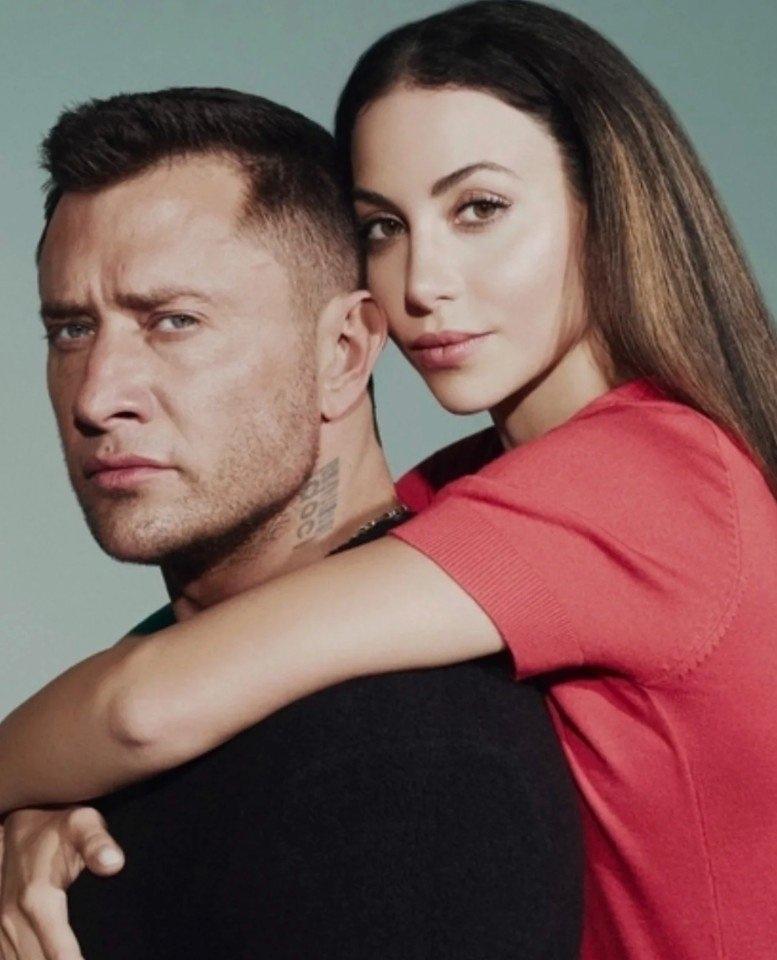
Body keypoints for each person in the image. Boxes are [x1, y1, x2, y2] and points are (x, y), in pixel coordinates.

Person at [2, 0, 777, 956]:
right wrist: (37, 812)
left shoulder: (647, 478)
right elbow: (209, 635)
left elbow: (144, 704)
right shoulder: (470, 493)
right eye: (381, 226)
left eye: (478, 209)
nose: (420, 283)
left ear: (605, 206)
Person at [0, 88, 583, 960]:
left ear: (341, 352)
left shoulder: (410, 756)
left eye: (173, 322)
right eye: (73, 330)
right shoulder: (89, 761)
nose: (97, 396)